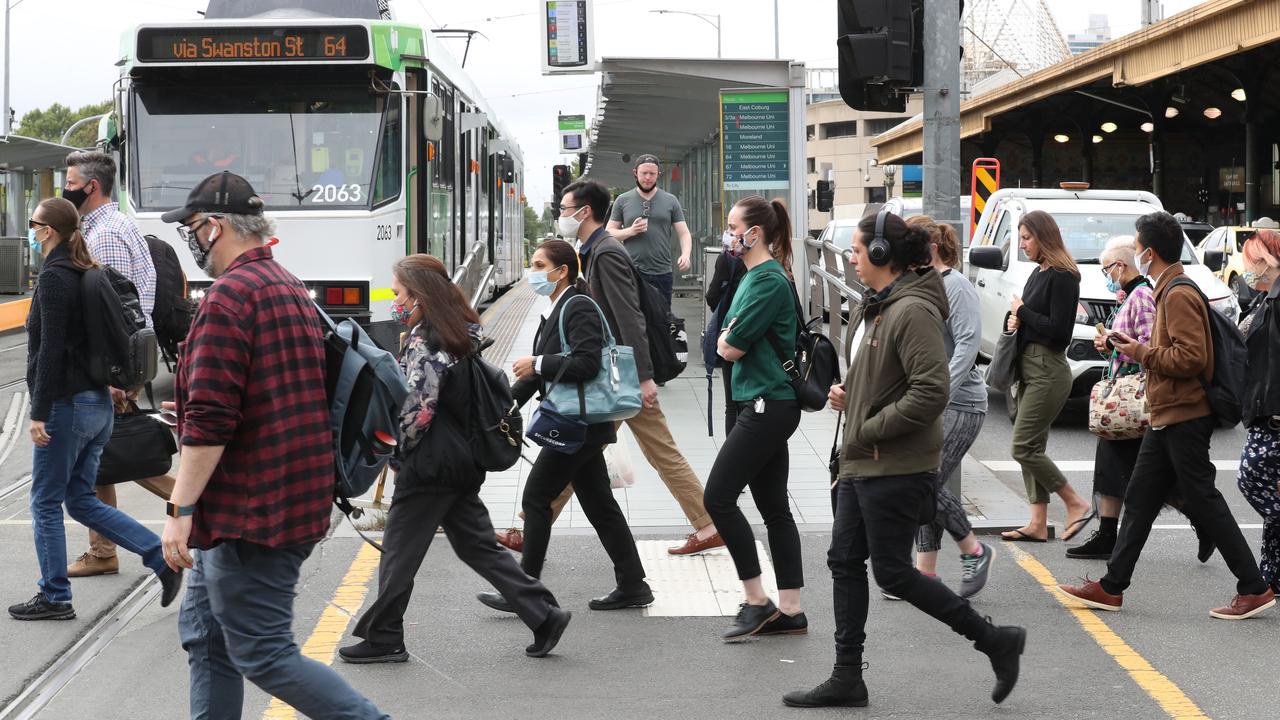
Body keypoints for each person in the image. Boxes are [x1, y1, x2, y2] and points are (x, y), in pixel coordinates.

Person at [158, 172, 389, 718]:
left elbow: (212, 423)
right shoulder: (284, 284)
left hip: (250, 511)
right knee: (207, 637)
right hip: (281, 495)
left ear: (215, 227)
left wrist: (179, 510)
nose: (190, 241)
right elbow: (265, 391)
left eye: (191, 228)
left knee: (263, 653)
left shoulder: (229, 297)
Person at [783, 210, 1025, 709]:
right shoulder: (883, 305)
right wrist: (851, 395)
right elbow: (885, 377)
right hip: (863, 459)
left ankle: (996, 640)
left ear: (880, 254)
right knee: (844, 561)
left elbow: (931, 390)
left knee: (893, 572)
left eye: (855, 249)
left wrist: (869, 426)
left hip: (891, 461)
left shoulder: (912, 310)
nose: (849, 258)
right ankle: (847, 675)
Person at [340, 255, 570, 663]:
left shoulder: (426, 339)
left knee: (399, 550)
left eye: (398, 293)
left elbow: (421, 406)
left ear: (418, 295)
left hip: (431, 464)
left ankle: (385, 636)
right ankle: (543, 614)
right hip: (462, 459)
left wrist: (399, 452)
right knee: (477, 545)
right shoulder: (461, 332)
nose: (395, 301)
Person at [1058, 210, 1276, 620]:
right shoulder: (1169, 288)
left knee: (1204, 499)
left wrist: (1138, 351)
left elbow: (1190, 357)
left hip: (1183, 412)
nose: (1136, 254)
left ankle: (1253, 586)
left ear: (1150, 253)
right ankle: (1111, 586)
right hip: (1168, 412)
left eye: (1138, 248)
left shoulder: (1177, 293)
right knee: (1139, 500)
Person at [496, 180, 723, 557]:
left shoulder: (605, 252)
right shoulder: (595, 249)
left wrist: (646, 377)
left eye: (565, 208)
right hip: (613, 375)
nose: (561, 214)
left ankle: (529, 525)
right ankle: (531, 524)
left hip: (619, 377)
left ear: (583, 212)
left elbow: (628, 317)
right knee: (584, 451)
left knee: (602, 448)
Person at [8, 198, 181, 621]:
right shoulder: (89, 272)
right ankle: (160, 558)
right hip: (98, 406)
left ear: (47, 230)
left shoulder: (54, 279)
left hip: (66, 407)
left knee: (45, 502)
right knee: (81, 499)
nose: (31, 231)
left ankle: (54, 596)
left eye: (33, 224)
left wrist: (39, 412)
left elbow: (49, 352)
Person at [478, 239, 653, 614]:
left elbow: (586, 363)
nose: (534, 272)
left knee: (536, 498)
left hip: (581, 425)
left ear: (561, 272)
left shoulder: (579, 307)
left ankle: (525, 594)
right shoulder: (557, 308)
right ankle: (633, 584)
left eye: (540, 265)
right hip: (578, 423)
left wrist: (539, 363)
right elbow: (536, 377)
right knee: (599, 503)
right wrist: (503, 408)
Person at [61, 149, 167, 579]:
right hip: (122, 360)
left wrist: (116, 376)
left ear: (90, 186)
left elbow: (118, 310)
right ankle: (102, 549)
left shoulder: (103, 236)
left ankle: (204, 515)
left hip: (116, 364)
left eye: (69, 182)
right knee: (98, 457)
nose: (64, 189)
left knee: (130, 457)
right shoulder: (115, 223)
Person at [704, 196, 807, 642]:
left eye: (732, 227)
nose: (728, 234)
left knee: (719, 497)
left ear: (755, 233)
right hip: (760, 400)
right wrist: (729, 334)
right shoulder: (752, 275)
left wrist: (729, 334)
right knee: (774, 508)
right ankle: (791, 610)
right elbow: (727, 338)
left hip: (767, 402)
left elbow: (729, 346)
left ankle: (756, 600)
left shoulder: (767, 281)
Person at [894, 215, 993, 599]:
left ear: (930, 249)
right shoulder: (924, 286)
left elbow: (968, 346)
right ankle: (926, 574)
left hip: (960, 403)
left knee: (924, 482)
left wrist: (937, 394)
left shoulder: (957, 287)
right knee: (924, 483)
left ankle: (974, 550)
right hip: (932, 402)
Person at [1000, 210, 1092, 543]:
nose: (1022, 244)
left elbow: (1058, 332)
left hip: (1048, 370)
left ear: (1044, 237)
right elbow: (1030, 320)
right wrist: (1014, 322)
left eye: (1026, 238)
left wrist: (1021, 311)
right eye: (1021, 237)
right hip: (1028, 368)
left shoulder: (1064, 275)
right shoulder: (1037, 273)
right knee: (1033, 446)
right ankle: (1038, 523)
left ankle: (1075, 502)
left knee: (1023, 447)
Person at [1068, 237, 1160, 559]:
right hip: (1118, 399)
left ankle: (1203, 520)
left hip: (1131, 397)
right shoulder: (1129, 295)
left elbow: (1150, 347)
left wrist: (1116, 345)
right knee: (1111, 464)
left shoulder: (1142, 296)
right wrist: (1109, 345)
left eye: (1107, 268)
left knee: (1147, 474)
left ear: (1120, 266)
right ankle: (1107, 534)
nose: (1106, 274)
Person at [1234, 228, 1280, 595]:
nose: (1249, 269)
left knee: (1251, 477)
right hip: (1265, 409)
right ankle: (1272, 577)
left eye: (1254, 261)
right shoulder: (1265, 300)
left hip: (1274, 412)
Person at [606, 154, 693, 305]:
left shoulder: (671, 200)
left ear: (658, 175)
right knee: (634, 318)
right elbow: (609, 233)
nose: (647, 178)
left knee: (661, 319)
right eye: (643, 173)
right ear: (635, 173)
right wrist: (630, 231)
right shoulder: (622, 200)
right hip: (632, 271)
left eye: (652, 174)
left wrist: (686, 255)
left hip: (662, 272)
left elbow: (684, 233)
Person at [705, 240, 748, 435]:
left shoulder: (727, 258)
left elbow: (712, 295)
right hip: (757, 346)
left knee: (731, 405)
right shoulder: (774, 262)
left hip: (729, 337)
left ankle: (733, 451)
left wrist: (724, 312)